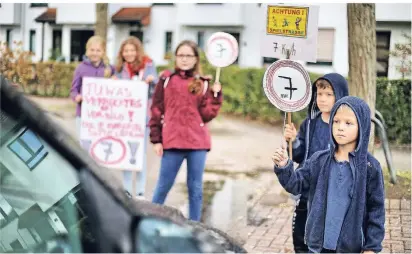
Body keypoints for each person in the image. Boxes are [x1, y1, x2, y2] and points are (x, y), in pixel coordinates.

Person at [272, 96, 385, 253]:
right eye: (336, 121)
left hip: (350, 248)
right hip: (317, 247)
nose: (340, 127)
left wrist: (371, 247)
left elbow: (376, 210)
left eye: (348, 123)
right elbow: (296, 184)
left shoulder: (370, 167)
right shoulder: (319, 160)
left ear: (362, 126)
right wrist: (284, 166)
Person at [149, 40, 223, 221]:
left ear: (196, 59)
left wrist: (215, 95)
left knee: (195, 188)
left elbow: (206, 115)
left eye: (188, 55)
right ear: (175, 57)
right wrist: (156, 139)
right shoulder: (166, 80)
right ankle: (148, 220)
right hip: (172, 141)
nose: (184, 59)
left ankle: (195, 226)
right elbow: (156, 109)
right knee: (163, 185)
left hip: (197, 143)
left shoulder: (203, 83)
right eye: (181, 55)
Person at [283, 73, 348, 252]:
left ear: (340, 95)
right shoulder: (310, 123)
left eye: (329, 94)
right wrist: (294, 141)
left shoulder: (344, 127)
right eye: (319, 94)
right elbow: (298, 155)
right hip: (307, 192)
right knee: (301, 239)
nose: (323, 99)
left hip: (332, 195)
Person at [114, 36, 159, 199]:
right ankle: (126, 190)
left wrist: (152, 82)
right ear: (122, 53)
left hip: (143, 117)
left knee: (140, 155)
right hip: (125, 119)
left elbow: (157, 89)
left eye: (132, 50)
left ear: (137, 51)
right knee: (125, 154)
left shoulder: (148, 65)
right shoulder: (119, 69)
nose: (129, 53)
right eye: (126, 51)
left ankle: (140, 191)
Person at [70, 35, 114, 137]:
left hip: (104, 116)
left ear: (103, 52)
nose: (95, 53)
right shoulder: (80, 68)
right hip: (83, 115)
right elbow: (74, 90)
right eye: (92, 50)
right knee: (83, 145)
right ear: (87, 51)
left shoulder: (110, 69)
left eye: (98, 50)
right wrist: (77, 97)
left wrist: (115, 81)